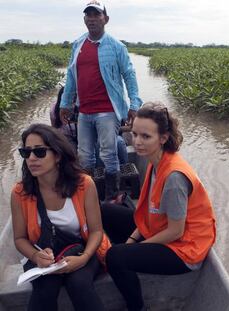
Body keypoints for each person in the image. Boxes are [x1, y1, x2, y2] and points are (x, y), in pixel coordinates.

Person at [102, 102, 216, 311]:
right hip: (162, 228)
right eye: (134, 134)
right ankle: (128, 260)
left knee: (114, 257)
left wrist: (133, 248)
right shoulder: (156, 163)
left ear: (163, 138)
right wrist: (131, 241)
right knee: (105, 210)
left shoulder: (173, 178)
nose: (137, 142)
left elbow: (176, 231)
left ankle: (136, 307)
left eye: (146, 137)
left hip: (184, 248)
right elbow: (147, 212)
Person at [10, 123, 111, 310]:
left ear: (57, 155)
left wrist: (84, 258)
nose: (31, 158)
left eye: (39, 152)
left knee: (79, 284)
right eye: (26, 153)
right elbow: (19, 238)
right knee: (45, 290)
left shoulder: (83, 184)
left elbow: (96, 231)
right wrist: (35, 255)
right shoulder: (20, 193)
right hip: (43, 255)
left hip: (83, 249)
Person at [59, 1, 143, 202]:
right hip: (85, 111)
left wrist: (134, 105)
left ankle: (111, 196)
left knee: (108, 153)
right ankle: (88, 197)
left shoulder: (116, 46)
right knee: (84, 155)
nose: (92, 19)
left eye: (96, 15)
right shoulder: (78, 45)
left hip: (108, 110)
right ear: (84, 19)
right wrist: (65, 103)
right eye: (88, 15)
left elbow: (129, 75)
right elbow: (71, 77)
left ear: (106, 19)